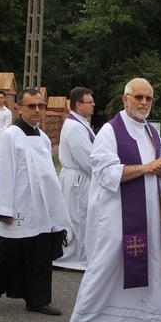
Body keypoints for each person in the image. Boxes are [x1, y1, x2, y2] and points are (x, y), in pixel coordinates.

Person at [67, 78, 161, 322]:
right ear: (125, 99)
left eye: (148, 98)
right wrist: (146, 167)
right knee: (107, 262)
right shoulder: (110, 131)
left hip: (148, 214)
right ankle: (85, 320)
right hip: (115, 212)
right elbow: (104, 172)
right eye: (138, 97)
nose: (143, 103)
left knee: (153, 263)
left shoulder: (152, 131)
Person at [0, 88, 71, 315]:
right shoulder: (10, 136)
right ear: (19, 108)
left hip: (41, 206)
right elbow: (2, 173)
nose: (36, 110)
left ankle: (37, 299)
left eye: (40, 106)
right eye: (31, 106)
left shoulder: (43, 138)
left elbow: (47, 174)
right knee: (7, 251)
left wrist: (54, 204)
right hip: (18, 205)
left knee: (40, 252)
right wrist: (2, 208)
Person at [53, 87, 96, 271]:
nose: (94, 104)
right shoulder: (75, 127)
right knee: (78, 219)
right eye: (90, 101)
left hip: (79, 178)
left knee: (82, 218)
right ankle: (75, 258)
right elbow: (87, 159)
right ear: (79, 105)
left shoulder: (80, 123)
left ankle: (82, 255)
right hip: (78, 179)